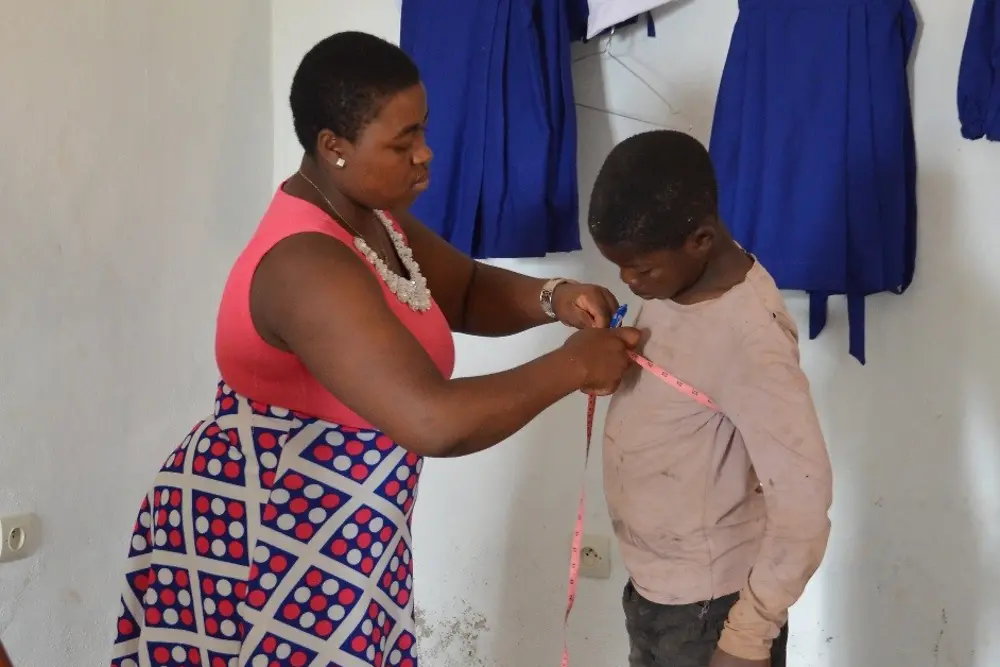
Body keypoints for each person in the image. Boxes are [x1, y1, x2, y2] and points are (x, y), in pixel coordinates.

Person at [107, 31, 639, 667]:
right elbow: (431, 420)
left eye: (423, 130)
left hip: (342, 531)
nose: (425, 154)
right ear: (334, 146)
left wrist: (555, 297)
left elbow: (464, 291)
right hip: (266, 535)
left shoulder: (371, 217)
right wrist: (574, 365)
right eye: (402, 141)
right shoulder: (307, 265)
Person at [588, 130, 833, 667]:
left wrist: (748, 636)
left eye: (641, 268)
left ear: (700, 240)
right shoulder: (676, 285)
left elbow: (803, 505)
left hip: (711, 612)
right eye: (620, 267)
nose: (629, 282)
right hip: (656, 590)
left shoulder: (750, 338)